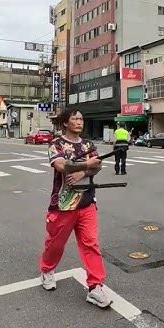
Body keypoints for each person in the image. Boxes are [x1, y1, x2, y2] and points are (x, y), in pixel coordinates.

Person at [39, 109, 111, 309]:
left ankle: (95, 286)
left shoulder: (89, 144)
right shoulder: (57, 144)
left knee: (91, 243)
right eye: (75, 118)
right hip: (63, 204)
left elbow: (97, 166)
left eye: (81, 118)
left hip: (87, 201)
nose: (79, 121)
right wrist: (85, 165)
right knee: (56, 243)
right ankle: (47, 269)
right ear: (65, 122)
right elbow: (61, 165)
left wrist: (83, 173)